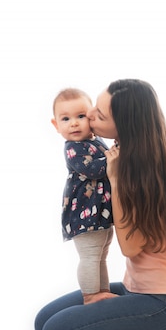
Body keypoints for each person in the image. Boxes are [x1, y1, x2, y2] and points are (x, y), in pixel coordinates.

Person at [35, 79, 166, 330]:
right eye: (94, 107)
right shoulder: (120, 153)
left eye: (100, 114)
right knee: (42, 323)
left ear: (124, 125)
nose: (90, 115)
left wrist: (116, 180)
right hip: (138, 287)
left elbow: (130, 248)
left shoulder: (146, 173)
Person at [50, 88, 114, 305]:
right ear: (56, 125)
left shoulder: (95, 141)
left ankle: (102, 290)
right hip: (84, 216)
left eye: (80, 116)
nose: (74, 123)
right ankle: (90, 295)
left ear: (92, 118)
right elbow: (94, 169)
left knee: (101, 257)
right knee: (89, 256)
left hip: (100, 215)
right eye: (65, 119)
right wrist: (115, 157)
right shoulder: (73, 148)